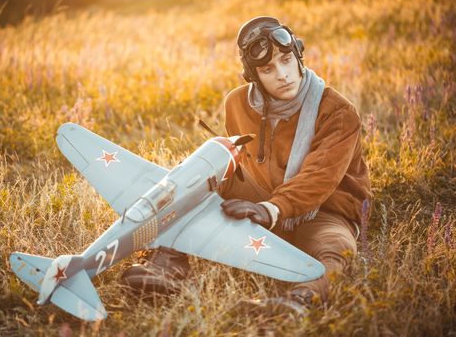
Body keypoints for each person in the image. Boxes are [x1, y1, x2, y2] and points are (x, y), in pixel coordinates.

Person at [121, 16, 372, 313]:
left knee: (337, 248)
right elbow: (232, 163)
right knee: (203, 176)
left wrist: (272, 209)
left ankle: (297, 302)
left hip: (323, 208)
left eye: (286, 60)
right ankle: (167, 263)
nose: (283, 74)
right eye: (268, 69)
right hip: (259, 197)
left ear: (298, 55)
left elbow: (320, 177)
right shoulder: (237, 103)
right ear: (254, 75)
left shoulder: (338, 111)